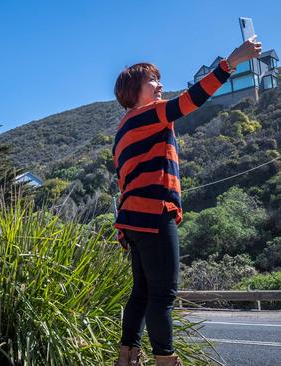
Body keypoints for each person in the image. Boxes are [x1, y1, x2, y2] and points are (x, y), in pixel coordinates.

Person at [112, 36, 261, 366]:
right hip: (154, 214)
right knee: (163, 294)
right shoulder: (147, 115)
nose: (160, 84)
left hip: (132, 221)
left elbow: (125, 183)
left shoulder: (122, 131)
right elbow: (192, 100)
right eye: (152, 80)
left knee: (141, 293)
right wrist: (231, 62)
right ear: (134, 90)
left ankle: (127, 357)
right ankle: (165, 359)